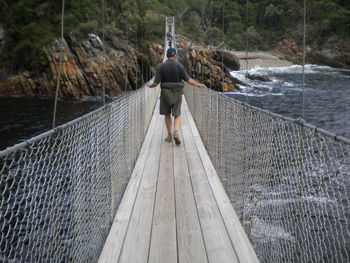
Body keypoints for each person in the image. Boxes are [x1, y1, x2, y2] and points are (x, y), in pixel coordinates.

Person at [147, 48, 205, 145]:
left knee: (167, 114)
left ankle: (169, 135)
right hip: (177, 93)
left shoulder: (161, 66)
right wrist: (198, 84)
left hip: (165, 94)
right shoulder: (180, 66)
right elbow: (189, 81)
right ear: (175, 56)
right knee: (177, 114)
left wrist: (149, 85)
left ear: (167, 56)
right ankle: (176, 131)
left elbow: (156, 84)